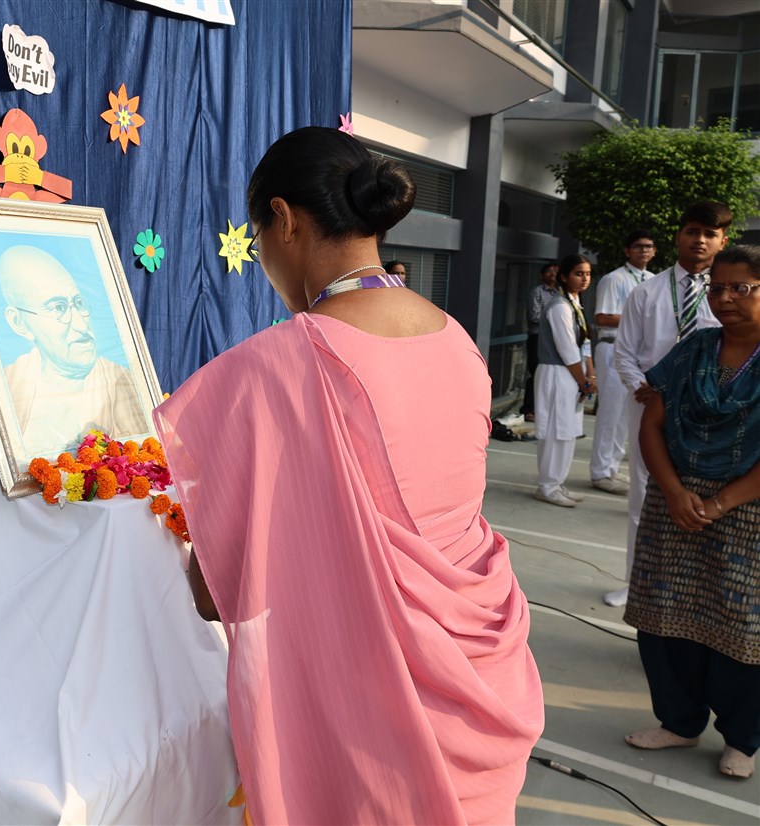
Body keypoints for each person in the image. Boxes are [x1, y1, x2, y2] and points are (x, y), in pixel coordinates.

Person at [153, 127, 544, 825]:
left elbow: (216, 592)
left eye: (260, 238)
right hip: (483, 680)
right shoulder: (457, 340)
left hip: (367, 711)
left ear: (283, 220)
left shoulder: (277, 367)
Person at [623, 244, 760, 780]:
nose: (725, 298)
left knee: (741, 623)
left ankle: (743, 739)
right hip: (674, 502)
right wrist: (676, 493)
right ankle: (679, 721)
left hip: (747, 509)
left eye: (741, 288)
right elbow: (652, 424)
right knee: (664, 616)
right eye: (717, 288)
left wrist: (721, 501)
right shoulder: (694, 348)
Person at [608, 202, 729, 607]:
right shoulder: (647, 292)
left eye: (710, 234)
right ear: (678, 236)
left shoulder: (729, 293)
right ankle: (634, 585)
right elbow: (625, 352)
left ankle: (693, 592)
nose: (700, 240)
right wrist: (642, 387)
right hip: (652, 407)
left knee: (704, 494)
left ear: (723, 241)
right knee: (644, 495)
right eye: (693, 231)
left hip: (711, 410)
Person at [0, 245, 148, 456]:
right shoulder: (6, 387)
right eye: (58, 308)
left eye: (78, 303)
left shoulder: (120, 383)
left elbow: (145, 457)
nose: (81, 324)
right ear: (19, 322)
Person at [589, 231, 656, 495]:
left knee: (627, 414)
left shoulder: (653, 280)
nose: (644, 250)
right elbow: (602, 317)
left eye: (648, 246)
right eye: (638, 246)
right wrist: (639, 317)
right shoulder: (614, 279)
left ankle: (612, 467)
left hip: (638, 353)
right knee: (610, 411)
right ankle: (600, 472)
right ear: (627, 250)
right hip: (613, 347)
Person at [533, 255, 596, 507]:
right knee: (556, 432)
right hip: (558, 373)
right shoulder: (560, 306)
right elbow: (568, 350)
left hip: (572, 374)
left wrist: (590, 375)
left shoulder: (575, 304)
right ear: (564, 276)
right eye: (579, 273)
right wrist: (584, 381)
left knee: (567, 431)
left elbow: (585, 344)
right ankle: (547, 486)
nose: (584, 278)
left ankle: (557, 483)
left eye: (587, 274)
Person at [522, 262, 561, 421]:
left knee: (550, 374)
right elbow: (534, 316)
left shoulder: (559, 294)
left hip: (553, 339)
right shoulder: (537, 292)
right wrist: (556, 319)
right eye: (549, 271)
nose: (553, 274)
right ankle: (529, 409)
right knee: (536, 373)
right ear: (542, 275)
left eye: (556, 272)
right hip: (537, 338)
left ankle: (544, 410)